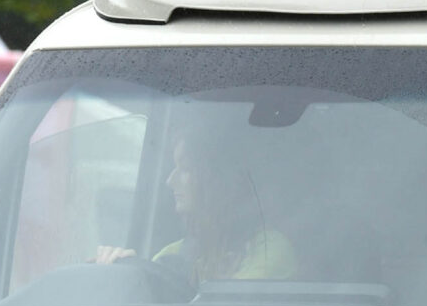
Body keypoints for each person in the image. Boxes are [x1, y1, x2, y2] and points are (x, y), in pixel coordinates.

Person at [99, 117, 296, 283]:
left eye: (185, 169)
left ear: (218, 178)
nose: (170, 181)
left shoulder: (269, 249)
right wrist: (124, 275)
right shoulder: (172, 255)